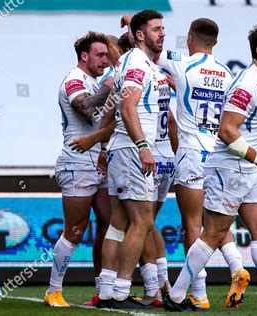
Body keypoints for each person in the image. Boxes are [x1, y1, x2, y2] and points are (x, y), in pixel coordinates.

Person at [163, 24, 257, 312]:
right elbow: (227, 131)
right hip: (229, 168)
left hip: (250, 168)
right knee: (213, 234)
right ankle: (177, 295)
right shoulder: (247, 83)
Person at [155, 18, 248, 309]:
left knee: (192, 224)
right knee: (216, 222)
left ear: (190, 39)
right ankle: (236, 268)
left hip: (192, 152)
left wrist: (134, 24)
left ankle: (199, 292)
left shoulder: (182, 63)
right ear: (216, 43)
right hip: (220, 154)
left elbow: (147, 51)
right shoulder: (227, 73)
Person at [97, 10, 166, 309]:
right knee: (143, 220)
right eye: (155, 29)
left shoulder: (128, 58)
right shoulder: (137, 61)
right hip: (131, 149)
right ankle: (122, 292)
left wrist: (129, 22)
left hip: (119, 148)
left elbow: (128, 39)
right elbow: (127, 106)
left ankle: (108, 291)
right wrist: (143, 145)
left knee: (119, 223)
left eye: (163, 28)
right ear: (140, 36)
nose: (162, 34)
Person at [44, 31, 114, 307]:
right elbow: (87, 108)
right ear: (84, 56)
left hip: (100, 163)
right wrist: (110, 83)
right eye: (100, 55)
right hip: (77, 162)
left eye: (107, 55)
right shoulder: (75, 79)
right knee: (75, 229)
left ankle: (102, 290)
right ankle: (53, 290)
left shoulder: (95, 81)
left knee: (110, 226)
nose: (105, 60)